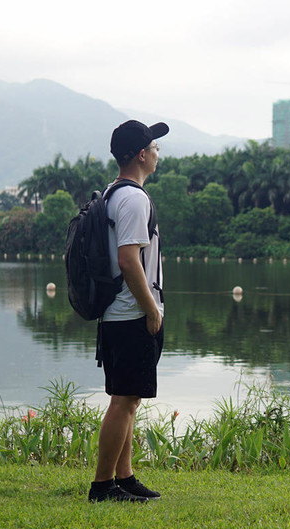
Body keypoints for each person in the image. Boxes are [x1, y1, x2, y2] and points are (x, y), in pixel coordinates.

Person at [88, 119, 169, 503]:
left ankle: (125, 476)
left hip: (117, 312)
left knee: (128, 398)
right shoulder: (134, 198)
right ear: (141, 155)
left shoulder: (113, 192)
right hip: (130, 313)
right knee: (123, 401)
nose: (157, 153)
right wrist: (150, 308)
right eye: (154, 147)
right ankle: (103, 486)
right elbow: (127, 260)